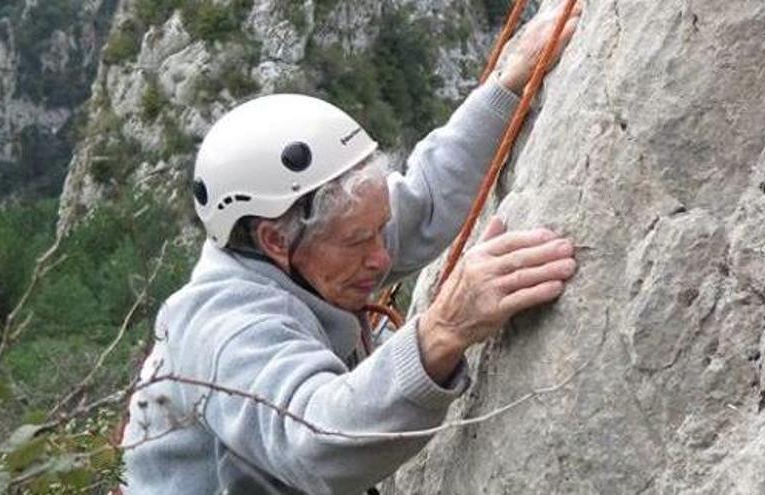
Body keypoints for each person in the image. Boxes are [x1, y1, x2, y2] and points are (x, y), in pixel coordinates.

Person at [121, 4, 583, 494]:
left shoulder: (313, 251)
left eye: (377, 229)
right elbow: (317, 443)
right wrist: (444, 329)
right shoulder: (226, 327)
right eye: (359, 240)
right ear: (275, 239)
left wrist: (508, 88)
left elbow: (425, 200)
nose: (382, 258)